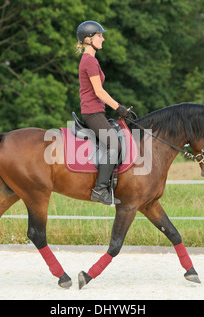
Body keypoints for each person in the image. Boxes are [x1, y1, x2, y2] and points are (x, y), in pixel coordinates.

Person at [76, 20, 129, 205]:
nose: (103, 39)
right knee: (115, 145)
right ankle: (99, 191)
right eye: (100, 35)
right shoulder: (89, 61)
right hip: (92, 114)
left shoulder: (91, 60)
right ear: (88, 39)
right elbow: (98, 91)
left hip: (97, 112)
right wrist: (118, 107)